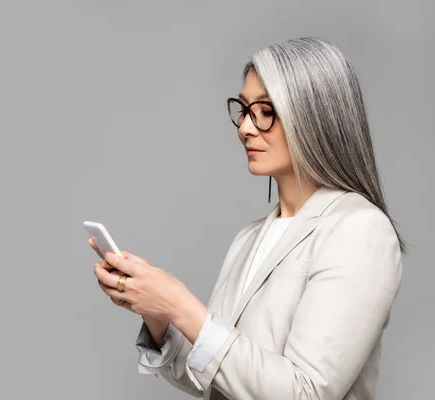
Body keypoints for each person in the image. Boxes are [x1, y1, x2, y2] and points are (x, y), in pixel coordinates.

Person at [89, 37, 406, 400]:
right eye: (243, 109)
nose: (245, 128)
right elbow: (215, 378)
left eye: (266, 111)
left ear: (314, 115)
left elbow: (304, 392)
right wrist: (158, 315)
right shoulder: (250, 237)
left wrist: (179, 303)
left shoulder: (359, 229)